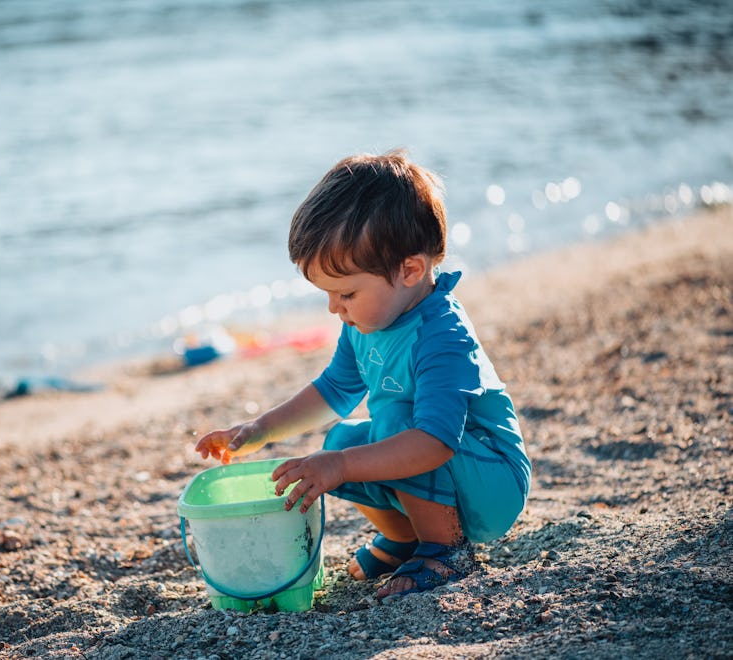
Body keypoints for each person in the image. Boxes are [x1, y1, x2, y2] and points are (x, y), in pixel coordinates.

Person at [195, 150, 531, 599]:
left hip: (491, 481)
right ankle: (405, 538)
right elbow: (334, 389)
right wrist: (260, 429)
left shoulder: (441, 336)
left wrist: (341, 467)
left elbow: (435, 441)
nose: (335, 308)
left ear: (410, 270)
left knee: (381, 432)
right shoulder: (366, 322)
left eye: (346, 292)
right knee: (340, 440)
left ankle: (445, 549)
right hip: (441, 466)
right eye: (329, 294)